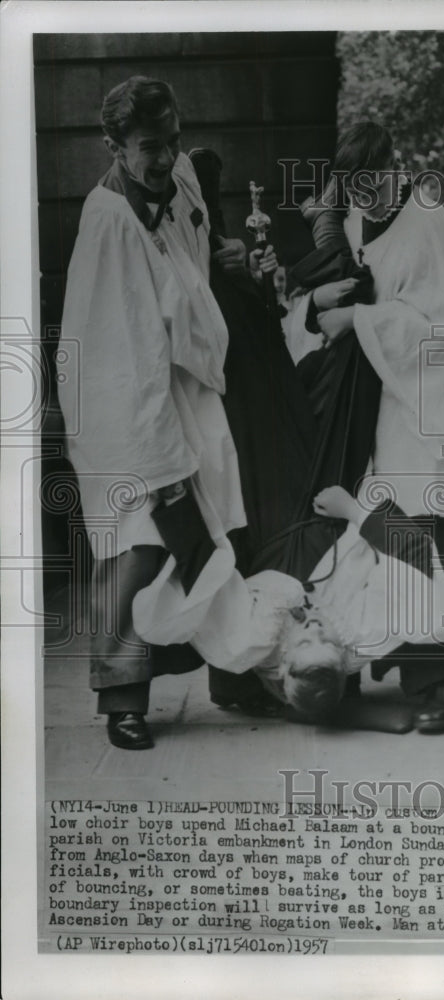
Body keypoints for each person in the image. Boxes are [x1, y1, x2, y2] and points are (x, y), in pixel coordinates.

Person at [57, 77, 250, 750]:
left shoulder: (184, 178)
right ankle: (122, 699)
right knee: (138, 543)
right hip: (128, 404)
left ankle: (236, 669)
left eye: (172, 141)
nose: (165, 158)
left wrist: (230, 253)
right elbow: (115, 353)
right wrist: (158, 458)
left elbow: (194, 265)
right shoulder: (109, 221)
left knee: (221, 531)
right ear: (114, 147)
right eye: (149, 147)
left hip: (191, 386)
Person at [307, 122, 444, 733]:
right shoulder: (357, 220)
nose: (366, 199)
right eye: (355, 190)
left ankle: (438, 682)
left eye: (374, 184)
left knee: (414, 536)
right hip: (375, 400)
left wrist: (358, 320)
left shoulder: (426, 220)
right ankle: (359, 659)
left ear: (395, 165)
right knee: (368, 534)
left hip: (422, 400)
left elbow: (437, 327)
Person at [131, 485, 444, 728]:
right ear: (346, 655)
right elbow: (414, 555)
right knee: (431, 599)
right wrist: (354, 510)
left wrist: (175, 501)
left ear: (283, 663)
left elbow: (202, 571)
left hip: (266, 537)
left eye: (305, 642)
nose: (315, 628)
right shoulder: (363, 631)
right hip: (336, 522)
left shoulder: (245, 639)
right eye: (328, 641)